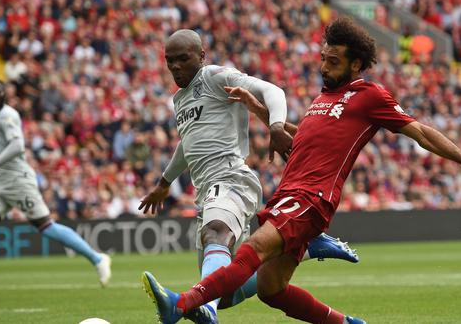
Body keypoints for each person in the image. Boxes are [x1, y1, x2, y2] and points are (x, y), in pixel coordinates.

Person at [141, 18, 461, 324]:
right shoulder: (323, 99)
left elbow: (419, 132)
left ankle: (181, 304)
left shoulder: (369, 96)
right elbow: (304, 141)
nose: (324, 68)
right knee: (270, 289)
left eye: (333, 61)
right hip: (290, 192)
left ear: (356, 65)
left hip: (311, 197)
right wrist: (262, 114)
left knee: (252, 249)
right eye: (323, 59)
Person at [139, 29, 358, 324]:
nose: (175, 66)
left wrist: (277, 126)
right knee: (226, 291)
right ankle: (303, 246)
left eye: (183, 58)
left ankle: (201, 309)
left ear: (201, 57)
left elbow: (273, 91)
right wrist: (164, 183)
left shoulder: (215, 77)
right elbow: (187, 144)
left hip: (230, 177)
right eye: (170, 61)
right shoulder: (180, 99)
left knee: (215, 233)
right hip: (207, 190)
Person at [0, 79, 112, 299]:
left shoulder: (8, 115)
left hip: (18, 181)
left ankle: (98, 259)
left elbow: (17, 146)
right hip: (0, 184)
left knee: (47, 227)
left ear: (4, 95)